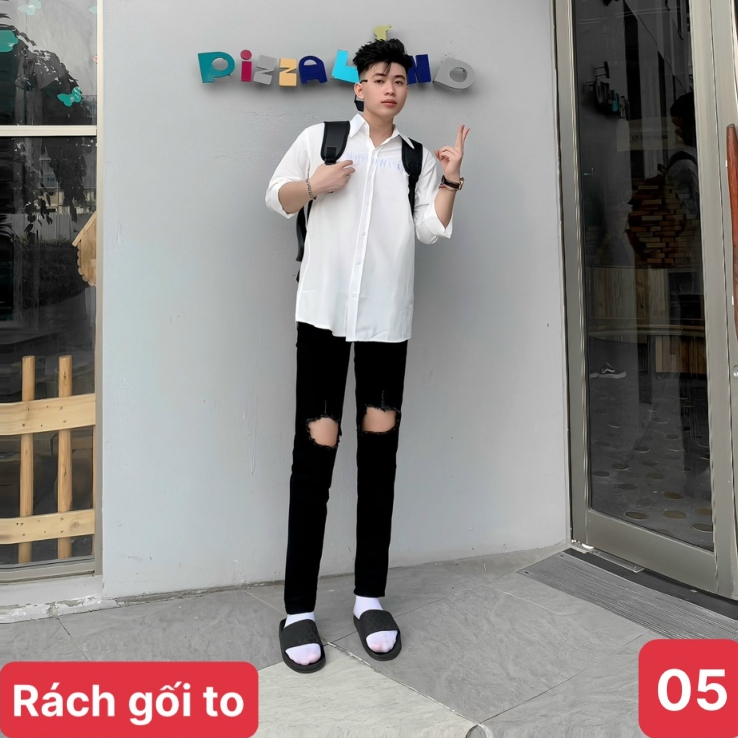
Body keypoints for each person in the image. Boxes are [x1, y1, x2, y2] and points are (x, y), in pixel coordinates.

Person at [265, 37, 469, 673]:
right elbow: (275, 197)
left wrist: (451, 177)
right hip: (323, 317)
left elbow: (430, 229)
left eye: (399, 80)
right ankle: (298, 610)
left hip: (385, 323)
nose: (390, 88)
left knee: (380, 459)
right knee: (314, 456)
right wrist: (314, 184)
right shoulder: (321, 140)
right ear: (359, 88)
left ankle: (369, 598)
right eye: (379, 78)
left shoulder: (415, 158)